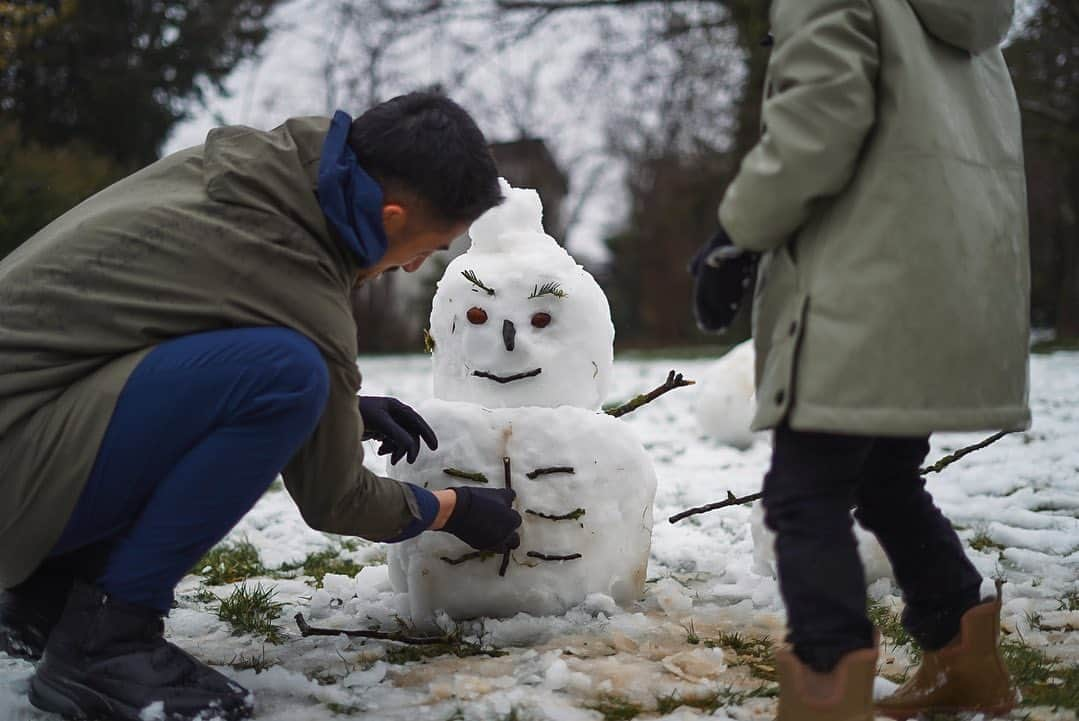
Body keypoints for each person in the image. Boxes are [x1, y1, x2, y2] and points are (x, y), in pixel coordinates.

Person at [0, 91, 523, 721]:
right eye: (427, 248)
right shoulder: (296, 267)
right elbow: (338, 501)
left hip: (26, 422)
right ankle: (105, 646)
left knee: (293, 377)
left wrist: (344, 410)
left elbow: (169, 342)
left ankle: (45, 596)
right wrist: (453, 507)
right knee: (289, 375)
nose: (413, 265)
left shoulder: (252, 178)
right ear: (389, 217)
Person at [691, 0, 1029, 719]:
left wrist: (734, 233)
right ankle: (963, 663)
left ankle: (824, 694)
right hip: (948, 275)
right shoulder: (966, 16)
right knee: (883, 477)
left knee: (801, 493)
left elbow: (818, 119)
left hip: (860, 282)